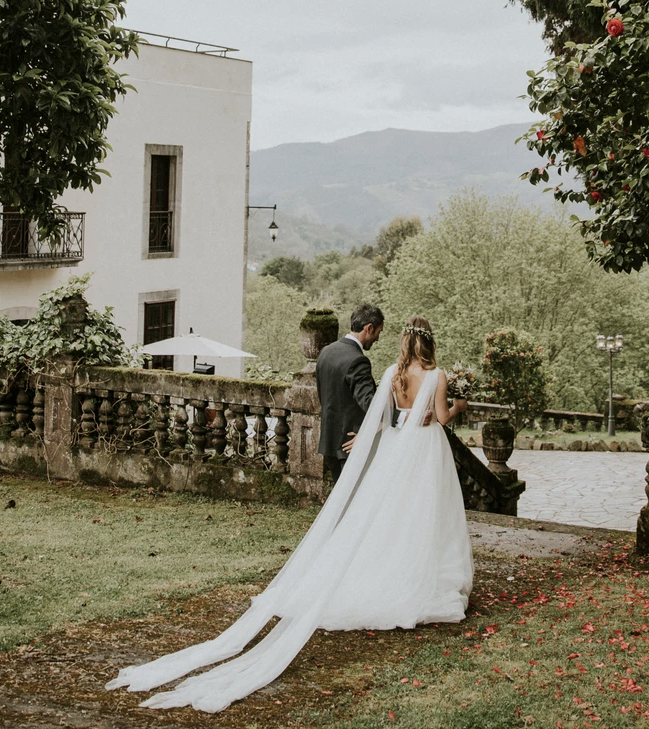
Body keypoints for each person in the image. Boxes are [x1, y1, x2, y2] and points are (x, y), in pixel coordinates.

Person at [107, 317, 471, 713]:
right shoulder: (437, 375)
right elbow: (437, 417)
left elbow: (384, 418)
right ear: (429, 343)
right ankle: (419, 575)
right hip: (423, 448)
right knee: (421, 515)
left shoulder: (392, 373)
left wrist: (366, 436)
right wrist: (460, 405)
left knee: (390, 516)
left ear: (403, 341)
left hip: (397, 448)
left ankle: (388, 572)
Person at [316, 303, 383, 480]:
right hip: (351, 444)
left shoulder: (325, 352)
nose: (377, 338)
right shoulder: (358, 360)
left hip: (329, 440)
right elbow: (370, 404)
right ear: (369, 328)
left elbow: (323, 396)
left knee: (342, 502)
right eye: (378, 332)